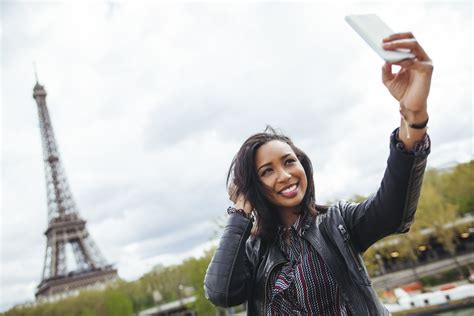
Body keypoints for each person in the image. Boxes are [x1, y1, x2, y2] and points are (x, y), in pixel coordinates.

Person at [204, 32, 433, 315]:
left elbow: (394, 210)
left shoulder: (338, 223)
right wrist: (239, 214)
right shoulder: (252, 253)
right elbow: (221, 293)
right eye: (267, 171)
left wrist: (414, 115)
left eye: (289, 162)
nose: (285, 175)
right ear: (253, 186)